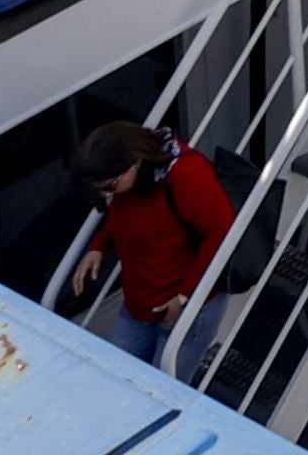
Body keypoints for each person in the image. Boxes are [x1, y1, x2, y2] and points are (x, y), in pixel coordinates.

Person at [62, 119, 236, 371]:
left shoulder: (186, 174)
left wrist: (186, 296)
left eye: (110, 187)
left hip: (187, 310)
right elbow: (127, 214)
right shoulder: (129, 182)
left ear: (135, 163)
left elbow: (221, 233)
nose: (106, 196)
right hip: (138, 307)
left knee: (165, 392)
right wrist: (99, 245)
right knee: (112, 377)